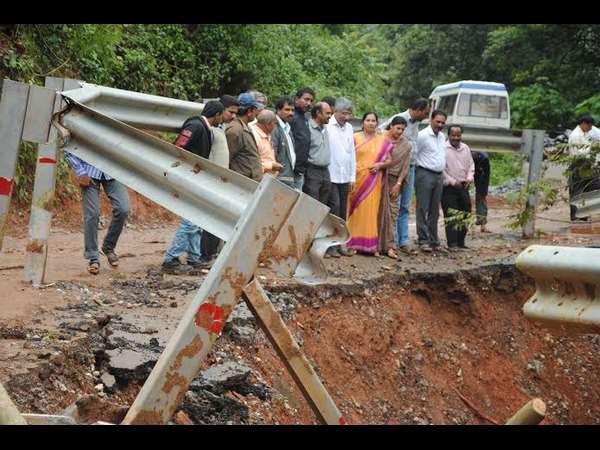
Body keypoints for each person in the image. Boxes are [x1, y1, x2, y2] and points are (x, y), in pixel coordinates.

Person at [161, 100, 225, 274]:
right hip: (188, 178)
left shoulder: (203, 127)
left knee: (197, 219)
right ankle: (171, 259)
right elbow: (179, 147)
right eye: (222, 116)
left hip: (194, 178)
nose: (222, 120)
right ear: (217, 115)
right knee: (190, 220)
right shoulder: (196, 125)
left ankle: (194, 257)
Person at [380, 99, 430, 254]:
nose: (426, 116)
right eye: (425, 112)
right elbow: (381, 132)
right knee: (393, 204)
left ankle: (403, 241)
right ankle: (391, 241)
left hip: (410, 167)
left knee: (405, 206)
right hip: (393, 171)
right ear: (419, 110)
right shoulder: (399, 118)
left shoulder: (416, 123)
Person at [64, 155, 129, 275]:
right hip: (89, 171)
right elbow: (69, 148)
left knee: (123, 209)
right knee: (92, 214)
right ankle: (93, 257)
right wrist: (80, 171)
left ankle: (108, 247)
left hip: (112, 171)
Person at [346, 112, 399, 257]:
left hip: (373, 180)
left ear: (377, 123)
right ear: (363, 122)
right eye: (368, 120)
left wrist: (380, 165)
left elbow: (389, 160)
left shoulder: (382, 141)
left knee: (370, 211)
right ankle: (352, 244)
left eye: (373, 120)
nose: (370, 123)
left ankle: (369, 245)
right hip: (356, 178)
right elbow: (347, 157)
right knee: (354, 211)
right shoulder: (354, 138)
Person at [325, 97, 356, 257]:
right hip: (330, 175)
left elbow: (352, 153)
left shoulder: (349, 128)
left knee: (343, 212)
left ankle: (339, 245)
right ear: (335, 111)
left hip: (345, 176)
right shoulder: (327, 126)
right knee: (334, 209)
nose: (347, 117)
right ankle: (329, 246)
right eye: (344, 113)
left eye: (349, 114)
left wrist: (352, 176)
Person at [414, 109, 447, 252]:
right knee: (423, 208)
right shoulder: (422, 136)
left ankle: (433, 239)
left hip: (439, 175)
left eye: (442, 123)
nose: (440, 125)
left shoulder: (442, 136)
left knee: (435, 209)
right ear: (431, 120)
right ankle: (423, 239)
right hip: (425, 173)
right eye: (437, 121)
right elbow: (415, 153)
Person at [442, 125, 474, 250]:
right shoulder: (443, 148)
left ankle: (461, 242)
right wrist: (452, 181)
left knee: (466, 212)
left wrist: (469, 178)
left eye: (458, 135)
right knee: (451, 215)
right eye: (453, 135)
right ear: (448, 135)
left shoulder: (465, 148)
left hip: (464, 186)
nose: (456, 138)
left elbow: (471, 165)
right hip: (449, 187)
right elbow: (441, 169)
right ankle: (452, 243)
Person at [384, 116, 412, 255]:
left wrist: (398, 184)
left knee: (393, 213)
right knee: (378, 212)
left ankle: (390, 245)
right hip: (379, 179)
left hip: (395, 181)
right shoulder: (381, 139)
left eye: (402, 129)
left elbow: (405, 167)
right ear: (391, 126)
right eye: (398, 128)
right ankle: (376, 244)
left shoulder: (406, 145)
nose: (400, 132)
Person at [567, 115, 600, 221]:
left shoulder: (591, 130)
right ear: (583, 124)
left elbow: (597, 133)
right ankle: (576, 217)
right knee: (577, 192)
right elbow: (578, 154)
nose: (590, 128)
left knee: (591, 189)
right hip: (578, 166)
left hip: (590, 166)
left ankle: (584, 214)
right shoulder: (575, 136)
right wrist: (592, 148)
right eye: (589, 126)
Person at [227, 93, 264, 182]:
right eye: (255, 109)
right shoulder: (235, 130)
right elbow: (227, 158)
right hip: (241, 183)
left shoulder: (245, 127)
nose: (256, 112)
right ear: (250, 111)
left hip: (251, 182)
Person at [303, 102, 333, 205]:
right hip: (312, 171)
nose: (330, 116)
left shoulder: (325, 128)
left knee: (323, 205)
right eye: (327, 113)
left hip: (325, 171)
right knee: (312, 204)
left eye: (330, 113)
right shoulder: (307, 128)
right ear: (318, 113)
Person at [291, 87, 316, 190]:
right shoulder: (291, 117)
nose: (309, 103)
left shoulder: (304, 119)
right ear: (297, 99)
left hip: (300, 171)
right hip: (289, 170)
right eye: (306, 99)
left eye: (311, 101)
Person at [272, 96, 298, 188]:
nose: (291, 113)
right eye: (287, 110)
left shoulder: (287, 127)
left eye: (292, 110)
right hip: (278, 177)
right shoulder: (274, 127)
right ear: (278, 110)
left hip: (288, 176)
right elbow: (272, 152)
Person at [250, 109, 282, 177]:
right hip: (258, 179)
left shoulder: (267, 134)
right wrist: (271, 166)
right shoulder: (254, 136)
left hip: (267, 178)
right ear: (268, 124)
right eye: (274, 123)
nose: (275, 126)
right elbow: (251, 163)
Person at [471, 151, 491, 232]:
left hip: (481, 169)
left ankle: (482, 223)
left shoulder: (483, 158)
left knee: (481, 197)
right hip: (478, 166)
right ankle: (481, 223)